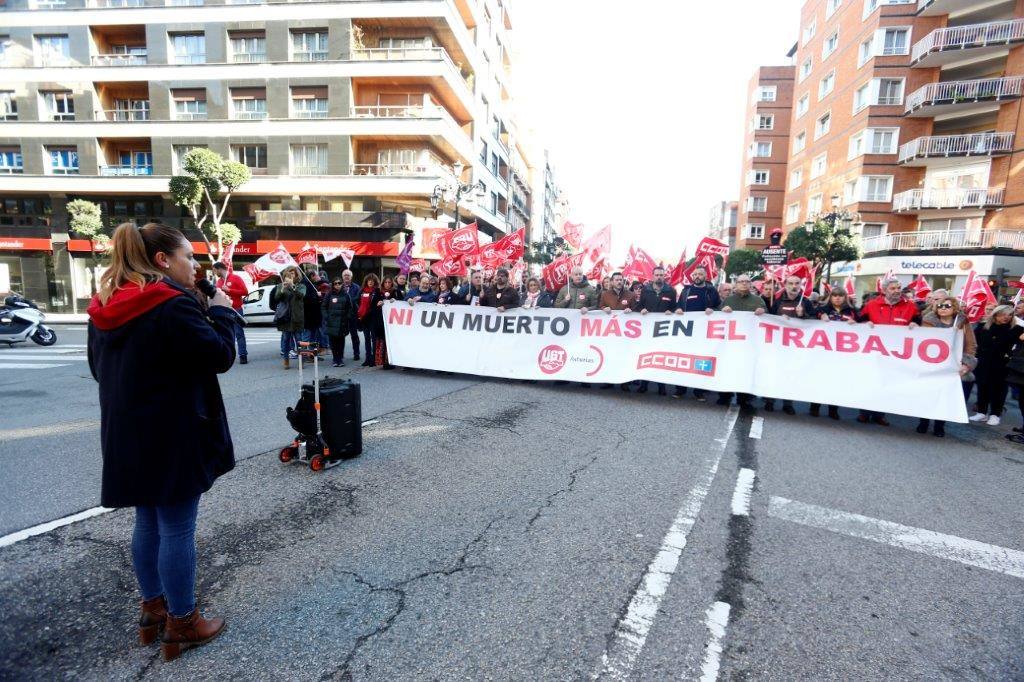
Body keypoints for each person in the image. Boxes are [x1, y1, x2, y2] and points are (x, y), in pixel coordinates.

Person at [87, 222, 232, 661]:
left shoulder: (104, 305)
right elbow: (220, 355)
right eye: (188, 256)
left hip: (127, 433)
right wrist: (222, 311)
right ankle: (183, 622)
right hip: (173, 432)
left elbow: (99, 370)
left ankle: (153, 609)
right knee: (177, 528)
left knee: (147, 523)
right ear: (162, 261)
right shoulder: (170, 305)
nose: (195, 265)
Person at [856, 277, 921, 425]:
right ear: (884, 290)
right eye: (893, 288)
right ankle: (864, 412)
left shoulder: (911, 306)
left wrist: (915, 325)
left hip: (896, 353)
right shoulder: (871, 305)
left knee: (887, 383)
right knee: (870, 381)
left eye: (899, 288)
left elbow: (919, 322)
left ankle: (880, 414)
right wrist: (865, 323)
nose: (897, 291)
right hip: (873, 351)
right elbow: (859, 322)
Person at [919, 296, 977, 437]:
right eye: (940, 306)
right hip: (932, 364)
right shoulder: (928, 321)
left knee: (945, 396)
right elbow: (920, 341)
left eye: (947, 306)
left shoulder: (962, 322)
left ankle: (940, 425)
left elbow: (971, 344)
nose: (943, 308)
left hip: (953, 365)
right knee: (929, 395)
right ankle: (923, 422)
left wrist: (966, 364)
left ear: (954, 308)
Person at [970, 304, 1024, 425]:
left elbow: (1021, 339)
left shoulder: (1015, 329)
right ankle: (981, 412)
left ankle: (995, 414)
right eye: (1003, 314)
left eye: (1010, 315)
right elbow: (973, 342)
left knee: (999, 389)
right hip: (983, 362)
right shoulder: (983, 327)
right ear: (996, 314)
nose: (1007, 317)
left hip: (1002, 364)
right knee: (982, 387)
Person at [718, 274, 766, 407]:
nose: (744, 284)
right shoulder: (729, 300)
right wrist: (722, 310)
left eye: (747, 281)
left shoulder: (758, 301)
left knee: (747, 369)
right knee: (728, 368)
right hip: (730, 343)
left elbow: (768, 318)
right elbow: (717, 316)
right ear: (736, 284)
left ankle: (744, 398)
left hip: (750, 343)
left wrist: (764, 312)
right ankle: (725, 395)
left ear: (751, 284)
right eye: (741, 281)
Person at [811, 289, 859, 419]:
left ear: (845, 297)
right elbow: (809, 318)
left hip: (842, 354)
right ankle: (815, 406)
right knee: (821, 381)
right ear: (830, 297)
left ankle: (833, 409)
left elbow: (862, 324)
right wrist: (820, 316)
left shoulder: (852, 311)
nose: (837, 298)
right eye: (835, 296)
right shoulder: (823, 309)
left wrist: (856, 324)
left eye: (840, 296)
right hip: (823, 351)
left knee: (837, 382)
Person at [765, 275, 810, 414]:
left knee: (790, 374)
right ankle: (770, 401)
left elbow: (815, 321)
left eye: (797, 283)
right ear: (785, 285)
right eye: (790, 283)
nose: (794, 286)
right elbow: (769, 318)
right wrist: (778, 319)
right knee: (774, 372)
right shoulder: (777, 301)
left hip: (795, 346)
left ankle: (788, 403)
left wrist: (802, 315)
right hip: (778, 345)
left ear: (801, 285)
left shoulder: (806, 302)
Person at [634, 266, 677, 395]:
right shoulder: (645, 290)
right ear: (653, 276)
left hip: (663, 330)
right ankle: (644, 384)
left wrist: (673, 311)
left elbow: (676, 307)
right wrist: (640, 310)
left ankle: (661, 385)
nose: (659, 277)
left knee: (661, 357)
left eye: (661, 275)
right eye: (657, 275)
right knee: (646, 355)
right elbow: (639, 306)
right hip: (647, 330)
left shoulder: (671, 291)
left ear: (664, 276)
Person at [270, 266, 306, 369]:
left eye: (293, 274)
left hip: (297, 317)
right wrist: (282, 288)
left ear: (297, 275)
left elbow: (301, 295)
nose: (290, 275)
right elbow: (277, 297)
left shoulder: (301, 286)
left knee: (299, 340)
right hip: (285, 317)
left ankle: (301, 360)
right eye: (288, 274)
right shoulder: (281, 285)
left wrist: (293, 286)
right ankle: (286, 360)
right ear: (285, 275)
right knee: (286, 340)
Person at [212, 261, 248, 364]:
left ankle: (243, 355)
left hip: (236, 309)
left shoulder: (235, 278)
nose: (214, 273)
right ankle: (229, 356)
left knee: (239, 333)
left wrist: (229, 290)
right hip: (224, 309)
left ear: (219, 268)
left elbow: (245, 292)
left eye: (214, 270)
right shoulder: (218, 282)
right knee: (228, 333)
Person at [323, 277, 354, 367]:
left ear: (342, 284)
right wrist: (326, 317)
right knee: (333, 341)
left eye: (339, 283)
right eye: (335, 283)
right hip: (331, 322)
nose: (337, 285)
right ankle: (335, 358)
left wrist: (347, 317)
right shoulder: (329, 294)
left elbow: (350, 307)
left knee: (341, 341)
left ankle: (340, 359)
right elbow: (324, 306)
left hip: (342, 322)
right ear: (333, 285)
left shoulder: (346, 294)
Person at [371, 276, 397, 369]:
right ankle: (381, 361)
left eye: (389, 282)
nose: (387, 284)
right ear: (383, 283)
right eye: (385, 282)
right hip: (380, 322)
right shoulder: (377, 292)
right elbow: (372, 307)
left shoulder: (395, 292)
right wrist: (378, 304)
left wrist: (395, 301)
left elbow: (402, 303)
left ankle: (390, 362)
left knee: (390, 341)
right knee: (381, 341)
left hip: (392, 322)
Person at [357, 274, 379, 367]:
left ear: (375, 282)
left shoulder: (377, 291)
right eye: (369, 280)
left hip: (373, 318)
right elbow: (356, 300)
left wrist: (369, 311)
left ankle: (374, 359)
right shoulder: (362, 291)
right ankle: (367, 358)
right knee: (366, 339)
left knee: (374, 339)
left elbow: (377, 305)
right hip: (364, 318)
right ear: (366, 281)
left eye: (372, 280)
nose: (370, 282)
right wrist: (360, 310)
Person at [339, 269, 362, 361]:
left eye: (348, 275)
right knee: (341, 336)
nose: (346, 277)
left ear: (351, 277)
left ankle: (356, 353)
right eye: (345, 275)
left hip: (352, 315)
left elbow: (358, 299)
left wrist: (348, 301)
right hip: (342, 315)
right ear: (342, 277)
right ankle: (340, 354)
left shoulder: (356, 287)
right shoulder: (338, 286)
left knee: (354, 335)